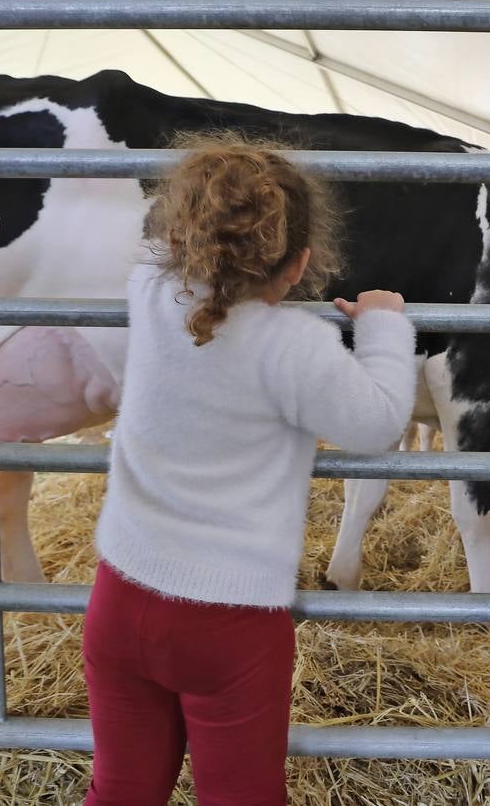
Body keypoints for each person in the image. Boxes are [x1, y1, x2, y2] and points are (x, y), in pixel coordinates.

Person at [82, 138, 418, 805]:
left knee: (120, 791)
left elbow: (163, 261)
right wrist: (383, 327)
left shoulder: (149, 292)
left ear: (181, 238)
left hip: (119, 600)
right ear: (299, 266)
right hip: (231, 625)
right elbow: (379, 422)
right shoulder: (296, 346)